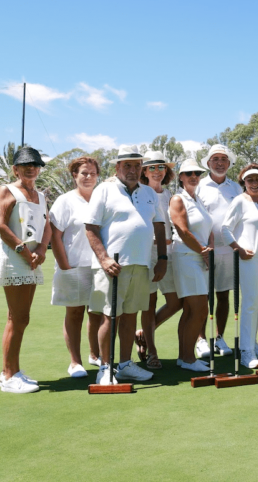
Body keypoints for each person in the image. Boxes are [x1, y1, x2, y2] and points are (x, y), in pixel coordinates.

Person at [86, 145, 167, 384]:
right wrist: (104, 258)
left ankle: (125, 364)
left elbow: (159, 226)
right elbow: (90, 227)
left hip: (141, 263)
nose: (133, 170)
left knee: (131, 314)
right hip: (112, 265)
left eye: (137, 165)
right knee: (110, 316)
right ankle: (105, 367)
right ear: (117, 167)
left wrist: (162, 259)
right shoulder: (104, 190)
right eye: (127, 165)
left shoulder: (149, 193)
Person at [0, 146, 51, 393]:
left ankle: (14, 370)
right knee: (17, 318)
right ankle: (8, 375)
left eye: (35, 165)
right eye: (26, 165)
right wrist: (25, 252)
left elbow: (47, 226)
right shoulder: (7, 190)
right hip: (15, 259)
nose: (31, 168)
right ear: (15, 169)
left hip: (32, 259)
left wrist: (43, 251)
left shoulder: (41, 195)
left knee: (22, 318)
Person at [49, 156, 102, 378]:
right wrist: (65, 267)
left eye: (92, 173)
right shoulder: (65, 201)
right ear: (74, 176)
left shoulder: (103, 199)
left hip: (99, 267)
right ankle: (75, 362)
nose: (88, 177)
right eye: (83, 173)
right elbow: (55, 236)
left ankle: (95, 355)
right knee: (75, 313)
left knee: (97, 313)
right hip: (73, 266)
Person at [221, 164, 258, 368]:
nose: (255, 183)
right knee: (250, 302)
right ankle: (246, 352)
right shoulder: (239, 201)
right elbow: (225, 229)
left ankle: (251, 342)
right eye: (250, 180)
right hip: (249, 257)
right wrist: (239, 249)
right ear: (243, 182)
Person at [196, 144, 242, 358]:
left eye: (224, 159)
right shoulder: (199, 185)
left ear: (229, 163)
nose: (220, 163)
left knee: (223, 295)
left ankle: (219, 337)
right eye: (215, 159)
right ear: (208, 163)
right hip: (204, 250)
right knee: (202, 296)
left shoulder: (236, 188)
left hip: (228, 251)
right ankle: (201, 339)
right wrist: (202, 246)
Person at [133, 151, 176, 370]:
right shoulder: (140, 193)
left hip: (169, 252)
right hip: (148, 252)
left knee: (177, 301)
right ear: (144, 171)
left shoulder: (170, 195)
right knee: (148, 304)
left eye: (161, 167)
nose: (157, 171)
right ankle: (152, 351)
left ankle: (143, 333)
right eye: (152, 167)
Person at [169, 159, 213, 372]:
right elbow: (183, 231)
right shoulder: (178, 199)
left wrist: (208, 249)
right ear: (181, 177)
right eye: (189, 173)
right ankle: (188, 358)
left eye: (197, 172)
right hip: (187, 257)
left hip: (199, 257)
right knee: (198, 310)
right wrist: (203, 251)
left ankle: (183, 357)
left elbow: (209, 229)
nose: (193, 176)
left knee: (190, 310)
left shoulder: (199, 200)